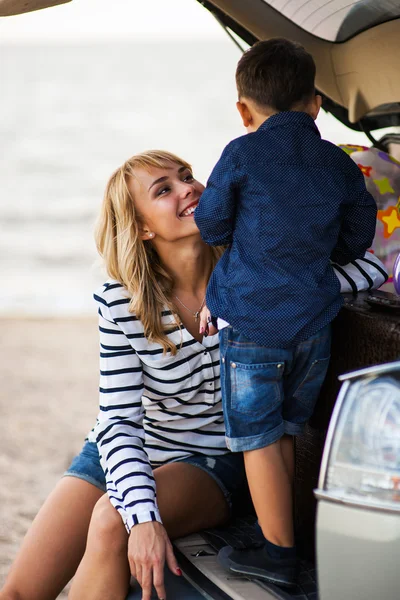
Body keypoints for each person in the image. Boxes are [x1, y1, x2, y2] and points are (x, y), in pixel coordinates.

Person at [0, 150, 248, 600]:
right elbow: (118, 421)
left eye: (187, 176)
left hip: (211, 458)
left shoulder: (247, 271)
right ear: (142, 228)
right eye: (164, 189)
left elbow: (347, 273)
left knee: (112, 520)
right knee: (19, 592)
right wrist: (146, 516)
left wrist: (141, 520)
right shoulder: (122, 303)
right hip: (127, 448)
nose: (187, 188)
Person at [194, 38, 377, 587]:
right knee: (287, 432)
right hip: (313, 326)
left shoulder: (241, 152)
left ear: (244, 110)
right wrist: (326, 251)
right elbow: (357, 233)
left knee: (256, 438)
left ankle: (277, 556)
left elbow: (211, 224)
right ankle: (283, 535)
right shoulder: (335, 162)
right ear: (315, 103)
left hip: (252, 325)